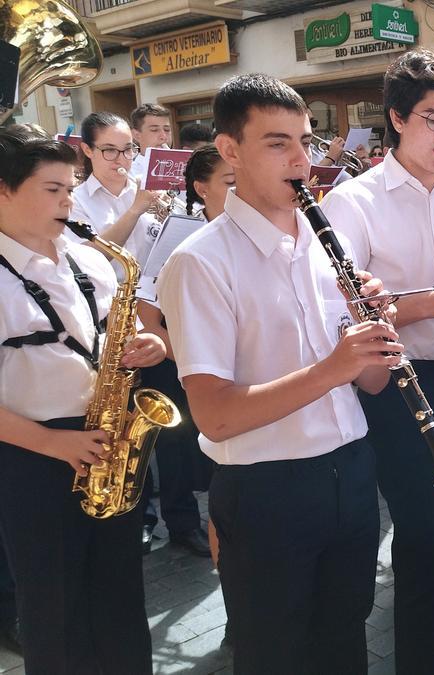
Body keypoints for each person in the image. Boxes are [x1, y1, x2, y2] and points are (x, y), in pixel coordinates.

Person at [157, 73, 401, 673]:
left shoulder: (328, 242)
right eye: (278, 144)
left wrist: (374, 341)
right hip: (268, 490)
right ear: (229, 151)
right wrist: (333, 366)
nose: (302, 161)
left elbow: (368, 384)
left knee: (345, 643)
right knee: (275, 654)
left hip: (351, 470)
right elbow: (214, 414)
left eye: (306, 141)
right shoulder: (200, 262)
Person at [319, 49, 434, 674]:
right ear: (398, 119)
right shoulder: (357, 201)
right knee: (425, 548)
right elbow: (350, 306)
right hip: (406, 386)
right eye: (433, 119)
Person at [0, 124, 166, 673]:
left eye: (71, 188)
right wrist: (53, 442)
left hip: (106, 437)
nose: (68, 201)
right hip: (33, 452)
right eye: (53, 190)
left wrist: (145, 346)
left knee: (120, 595)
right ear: (3, 190)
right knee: (54, 606)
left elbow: (112, 334)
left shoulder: (88, 256)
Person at [135, 146, 235, 560]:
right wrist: (192, 358)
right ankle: (182, 524)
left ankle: (223, 526)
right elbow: (147, 314)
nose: (240, 191)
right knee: (176, 449)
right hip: (176, 362)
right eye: (230, 184)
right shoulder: (179, 235)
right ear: (201, 188)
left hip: (220, 364)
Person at [71, 112, 164, 250]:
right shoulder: (75, 202)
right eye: (109, 150)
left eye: (128, 149)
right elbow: (89, 257)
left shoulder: (146, 193)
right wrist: (134, 211)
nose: (121, 159)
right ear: (88, 150)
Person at [128, 103, 173, 183]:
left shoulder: (185, 170)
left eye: (167, 130)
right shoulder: (129, 174)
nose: (163, 136)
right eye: (154, 130)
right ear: (136, 135)